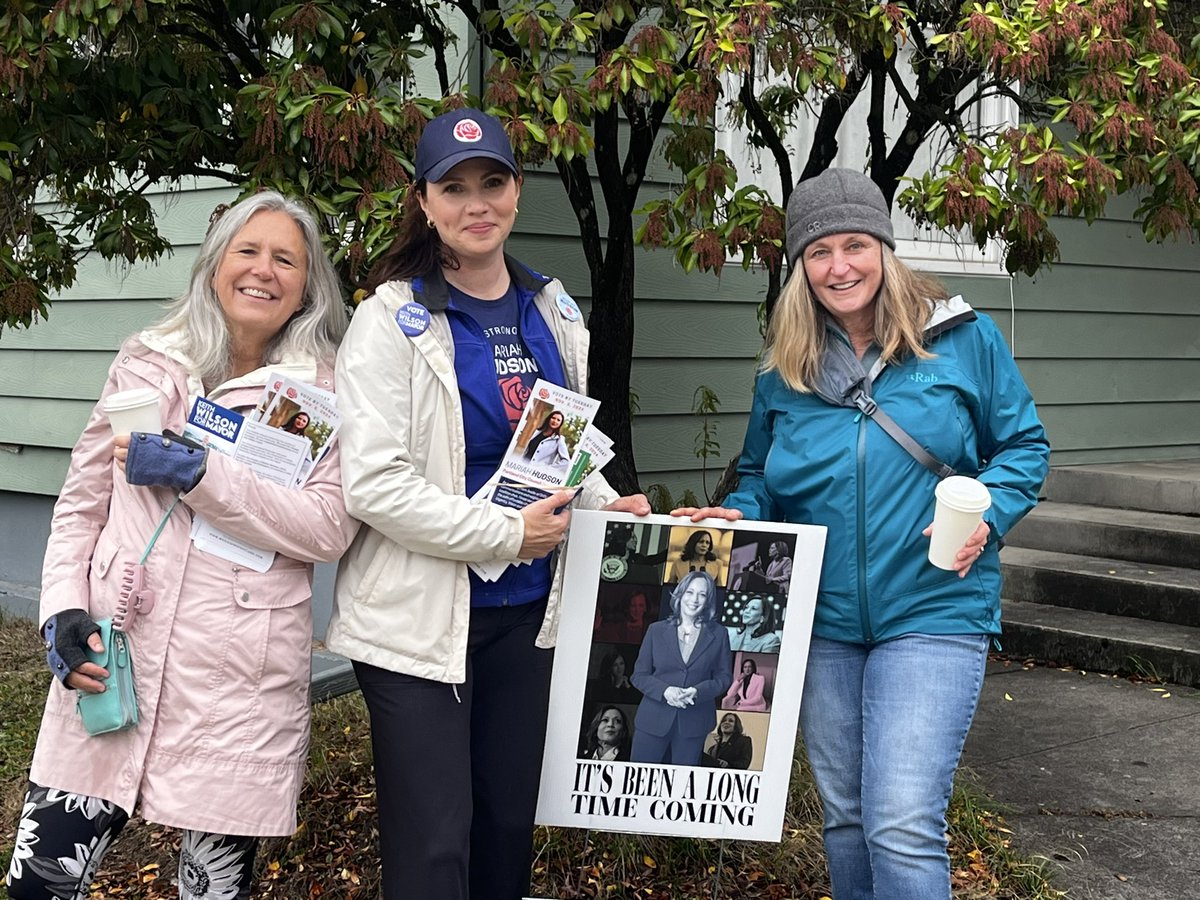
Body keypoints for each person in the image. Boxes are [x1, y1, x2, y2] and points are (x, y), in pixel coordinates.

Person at [674, 168, 1049, 897]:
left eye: (855, 245)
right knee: (846, 818)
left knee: (902, 820)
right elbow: (757, 476)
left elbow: (1024, 447)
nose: (839, 266)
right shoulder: (784, 368)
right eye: (819, 252)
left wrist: (991, 511)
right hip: (822, 622)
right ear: (799, 266)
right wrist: (738, 515)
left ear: (884, 247)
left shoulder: (961, 339)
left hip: (934, 606)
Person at [325, 107, 649, 900]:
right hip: (419, 619)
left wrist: (630, 515)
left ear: (515, 190)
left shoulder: (553, 309)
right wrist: (507, 533)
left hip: (528, 618)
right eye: (455, 186)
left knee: (506, 827)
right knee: (436, 844)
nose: (478, 203)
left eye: (492, 182)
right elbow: (373, 483)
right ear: (425, 201)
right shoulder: (387, 321)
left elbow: (562, 453)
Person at [7, 192, 358, 900]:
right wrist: (62, 611)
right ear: (215, 265)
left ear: (307, 286)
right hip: (115, 657)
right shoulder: (147, 361)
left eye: (285, 259)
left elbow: (326, 527)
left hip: (236, 686)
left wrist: (203, 475)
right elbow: (82, 503)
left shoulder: (321, 396)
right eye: (247, 251)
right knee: (39, 888)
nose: (263, 271)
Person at [629, 571, 732, 765]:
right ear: (680, 594)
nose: (694, 599)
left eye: (702, 594)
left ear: (708, 600)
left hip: (694, 722)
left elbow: (724, 677)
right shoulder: (656, 630)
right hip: (652, 720)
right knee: (640, 782)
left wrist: (697, 692)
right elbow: (639, 675)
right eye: (690, 592)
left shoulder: (719, 634)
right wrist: (665, 691)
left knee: (681, 786)